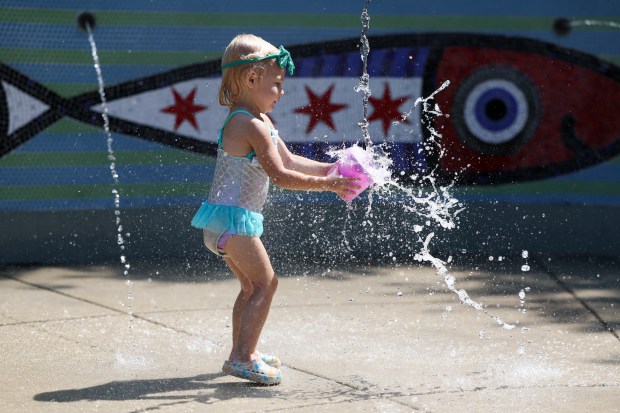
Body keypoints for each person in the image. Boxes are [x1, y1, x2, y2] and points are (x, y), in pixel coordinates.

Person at [191, 34, 360, 385]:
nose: (282, 92)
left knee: (251, 288)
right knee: (266, 284)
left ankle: (242, 352)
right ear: (252, 79)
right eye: (277, 84)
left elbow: (290, 158)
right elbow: (281, 175)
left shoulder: (258, 120)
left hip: (226, 221)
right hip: (234, 222)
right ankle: (242, 357)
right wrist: (329, 185)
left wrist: (332, 170)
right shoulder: (248, 124)